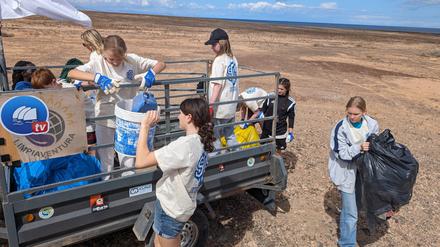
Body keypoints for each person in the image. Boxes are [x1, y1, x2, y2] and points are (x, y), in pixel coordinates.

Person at [67, 35, 166, 175]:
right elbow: (72, 73)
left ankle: (128, 185)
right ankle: (106, 184)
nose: (115, 62)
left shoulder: (132, 60)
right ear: (103, 53)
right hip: (105, 116)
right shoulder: (98, 62)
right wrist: (97, 78)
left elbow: (161, 64)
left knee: (128, 157)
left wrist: (151, 73)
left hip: (128, 116)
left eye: (119, 58)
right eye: (111, 59)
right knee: (106, 156)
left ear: (125, 53)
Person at [135, 98, 215, 247]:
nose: (178, 116)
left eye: (180, 113)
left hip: (171, 211)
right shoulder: (202, 141)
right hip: (175, 207)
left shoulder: (185, 146)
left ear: (189, 117)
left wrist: (145, 126)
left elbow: (140, 161)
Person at [328, 96, 379, 247]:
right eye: (349, 113)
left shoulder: (372, 124)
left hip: (363, 171)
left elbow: (375, 145)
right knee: (350, 211)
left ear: (364, 112)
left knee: (358, 204)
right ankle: (347, 243)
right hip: (347, 171)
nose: (351, 117)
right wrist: (359, 148)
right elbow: (341, 153)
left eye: (355, 114)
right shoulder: (340, 128)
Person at [205, 28, 239, 151]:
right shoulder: (233, 59)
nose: (212, 47)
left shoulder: (219, 60)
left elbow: (217, 85)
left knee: (215, 136)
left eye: (214, 44)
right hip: (230, 105)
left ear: (222, 43)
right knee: (230, 134)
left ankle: (218, 160)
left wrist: (210, 105)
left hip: (220, 107)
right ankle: (237, 157)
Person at [260, 78, 296, 152]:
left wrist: (290, 133)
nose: (279, 90)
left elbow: (291, 118)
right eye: (278, 88)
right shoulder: (270, 96)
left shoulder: (290, 102)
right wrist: (261, 116)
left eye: (282, 89)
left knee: (278, 152)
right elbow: (263, 110)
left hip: (280, 132)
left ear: (287, 89)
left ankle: (275, 163)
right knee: (263, 150)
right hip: (267, 130)